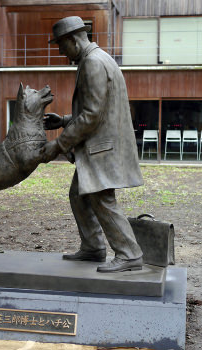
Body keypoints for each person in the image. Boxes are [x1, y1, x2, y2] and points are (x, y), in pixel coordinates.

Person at [40, 16, 144, 273]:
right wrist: (64, 120)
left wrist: (58, 145)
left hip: (102, 148)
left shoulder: (93, 63)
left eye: (61, 46)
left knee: (101, 199)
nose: (62, 52)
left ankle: (129, 253)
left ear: (73, 40)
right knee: (79, 195)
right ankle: (94, 247)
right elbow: (97, 110)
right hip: (102, 144)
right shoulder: (99, 59)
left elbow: (91, 116)